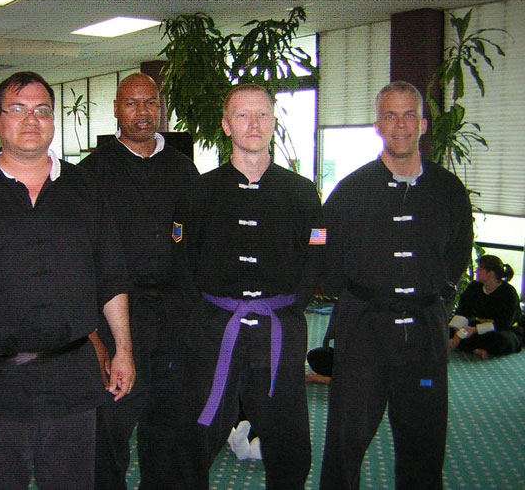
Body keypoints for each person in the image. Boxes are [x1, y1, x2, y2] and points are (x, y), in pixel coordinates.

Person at [0, 71, 135, 490]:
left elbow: (112, 278)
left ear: (53, 121)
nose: (31, 120)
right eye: (18, 110)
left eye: (42, 111)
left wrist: (123, 350)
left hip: (71, 375)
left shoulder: (86, 188)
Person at [319, 80, 474, 490]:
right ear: (377, 125)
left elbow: (459, 251)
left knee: (425, 443)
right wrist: (348, 289)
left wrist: (437, 296)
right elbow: (323, 248)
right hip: (363, 330)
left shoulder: (449, 190)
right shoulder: (351, 190)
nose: (400, 125)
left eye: (409, 115)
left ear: (423, 124)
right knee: (345, 443)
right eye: (390, 115)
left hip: (425, 335)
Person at [174, 84, 324, 489]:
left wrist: (289, 308)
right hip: (214, 329)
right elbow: (182, 261)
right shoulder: (199, 191)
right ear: (226, 125)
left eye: (262, 114)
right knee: (194, 434)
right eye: (242, 115)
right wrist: (208, 313)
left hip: (280, 329)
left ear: (273, 122)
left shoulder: (301, 192)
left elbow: (315, 259)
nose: (253, 124)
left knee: (289, 439)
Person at [78, 73, 199, 490]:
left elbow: (196, 249)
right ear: (116, 109)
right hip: (113, 320)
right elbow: (77, 262)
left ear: (161, 108)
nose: (142, 112)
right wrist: (94, 339)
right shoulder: (91, 173)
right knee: (111, 427)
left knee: (167, 427)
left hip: (173, 321)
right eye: (132, 103)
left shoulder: (183, 169)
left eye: (150, 103)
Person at [449, 255, 522, 358]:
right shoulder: (474, 287)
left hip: (504, 329)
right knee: (447, 329)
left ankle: (470, 347)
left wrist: (474, 330)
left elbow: (503, 324)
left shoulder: (508, 293)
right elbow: (463, 311)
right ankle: (477, 349)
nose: (476, 271)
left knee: (500, 340)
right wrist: (457, 334)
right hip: (477, 325)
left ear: (490, 274)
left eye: (479, 269)